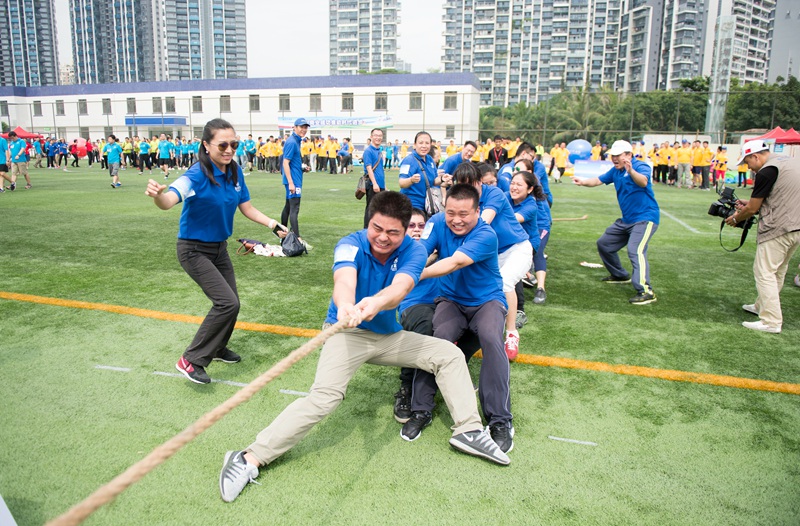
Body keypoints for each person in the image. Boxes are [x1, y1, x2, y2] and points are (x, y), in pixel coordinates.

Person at [218, 191, 511, 504]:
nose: (383, 237)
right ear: (368, 222)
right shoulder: (350, 243)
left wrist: (376, 302)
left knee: (449, 354)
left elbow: (400, 287)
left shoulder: (414, 250)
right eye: (376, 228)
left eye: (392, 232)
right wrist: (346, 305)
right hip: (346, 334)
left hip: (387, 337)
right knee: (325, 398)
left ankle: (468, 430)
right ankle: (248, 458)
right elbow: (344, 280)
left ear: (404, 231)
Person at [145, 118, 287, 383]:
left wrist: (273, 225)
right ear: (206, 146)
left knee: (233, 303)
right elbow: (169, 200)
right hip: (193, 250)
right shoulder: (197, 174)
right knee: (226, 303)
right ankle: (191, 359)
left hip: (219, 249)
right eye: (223, 145)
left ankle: (218, 348)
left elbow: (246, 207)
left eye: (234, 144)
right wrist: (158, 195)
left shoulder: (235, 172)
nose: (229, 149)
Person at [402, 183, 515, 453]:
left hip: (486, 302)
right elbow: (421, 249)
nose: (456, 220)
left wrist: (413, 276)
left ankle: (500, 419)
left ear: (477, 211)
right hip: (451, 301)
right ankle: (421, 409)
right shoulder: (437, 222)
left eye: (464, 214)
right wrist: (407, 266)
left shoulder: (486, 234)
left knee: (491, 339)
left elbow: (454, 262)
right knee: (437, 340)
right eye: (451, 213)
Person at [454, 163, 532, 360]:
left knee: (505, 282)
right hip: (491, 254)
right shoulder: (462, 200)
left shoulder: (494, 193)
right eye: (462, 186)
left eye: (471, 184)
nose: (468, 190)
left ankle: (512, 333)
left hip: (517, 248)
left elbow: (483, 221)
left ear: (480, 182)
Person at [725, 140, 800, 334]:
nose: (749, 167)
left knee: (764, 272)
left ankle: (771, 321)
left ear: (755, 156)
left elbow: (752, 208)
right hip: (796, 226)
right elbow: (780, 195)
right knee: (778, 271)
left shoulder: (766, 171)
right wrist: (751, 204)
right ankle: (762, 306)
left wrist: (736, 218)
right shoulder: (789, 162)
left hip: (779, 228)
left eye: (748, 162)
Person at [573, 140, 660, 305]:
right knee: (604, 244)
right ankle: (620, 275)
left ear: (628, 155)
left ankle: (646, 291)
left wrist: (631, 171)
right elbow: (598, 180)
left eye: (617, 155)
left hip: (645, 218)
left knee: (635, 250)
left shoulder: (640, 166)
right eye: (612, 155)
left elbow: (643, 182)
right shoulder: (616, 171)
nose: (614, 158)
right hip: (626, 220)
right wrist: (583, 182)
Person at [514, 158, 552, 306]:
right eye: (514, 169)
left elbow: (542, 215)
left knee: (537, 251)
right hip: (524, 227)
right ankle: (528, 275)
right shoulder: (513, 189)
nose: (515, 172)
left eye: (519, 169)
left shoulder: (533, 193)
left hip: (540, 226)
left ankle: (541, 288)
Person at [398, 131, 448, 214]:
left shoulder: (430, 160)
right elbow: (401, 183)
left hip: (427, 204)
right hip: (412, 205)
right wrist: (411, 180)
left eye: (427, 143)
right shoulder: (408, 160)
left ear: (430, 145)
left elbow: (433, 181)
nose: (424, 146)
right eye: (421, 143)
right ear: (415, 145)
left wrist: (442, 179)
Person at [281, 118, 310, 238]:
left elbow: (292, 162)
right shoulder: (292, 142)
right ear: (294, 127)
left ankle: (282, 235)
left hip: (295, 178)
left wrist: (302, 168)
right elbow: (285, 162)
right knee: (294, 208)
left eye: (305, 127)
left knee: (288, 207)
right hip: (293, 181)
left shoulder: (296, 140)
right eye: (301, 127)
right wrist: (291, 183)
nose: (304, 129)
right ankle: (297, 238)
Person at [362, 128, 386, 228]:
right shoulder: (368, 151)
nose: (378, 138)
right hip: (373, 185)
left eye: (380, 136)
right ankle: (366, 230)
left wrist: (384, 185)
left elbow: (380, 169)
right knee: (371, 209)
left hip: (380, 185)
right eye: (376, 135)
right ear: (371, 137)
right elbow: (369, 168)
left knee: (379, 210)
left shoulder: (379, 151)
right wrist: (375, 183)